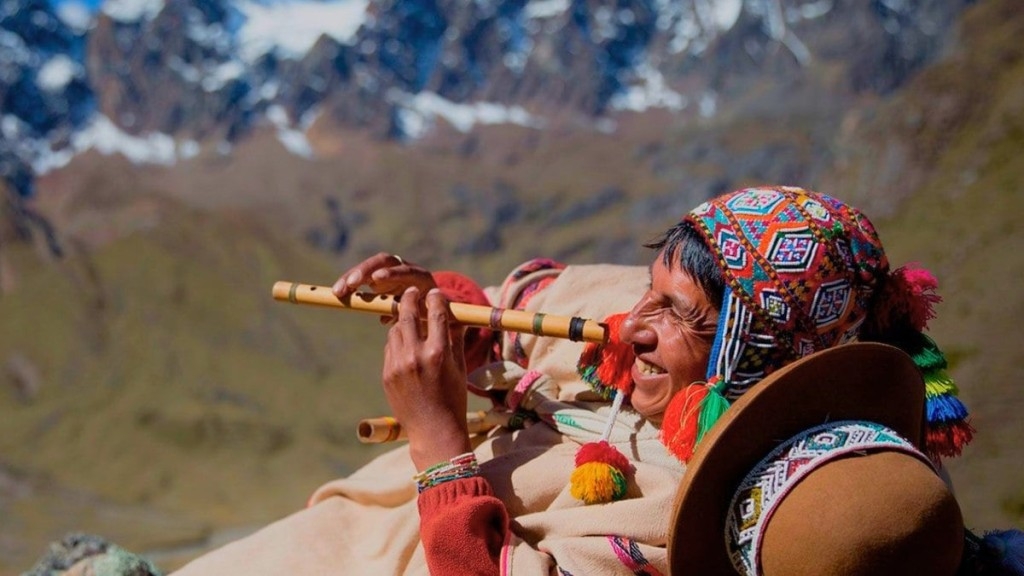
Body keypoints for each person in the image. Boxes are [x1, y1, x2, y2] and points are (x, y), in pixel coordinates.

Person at [171, 186, 976, 575]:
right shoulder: (630, 320)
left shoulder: (710, 514)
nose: (632, 325)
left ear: (755, 355)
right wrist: (442, 306)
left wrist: (441, 445)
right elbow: (521, 306)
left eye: (679, 315)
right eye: (650, 292)